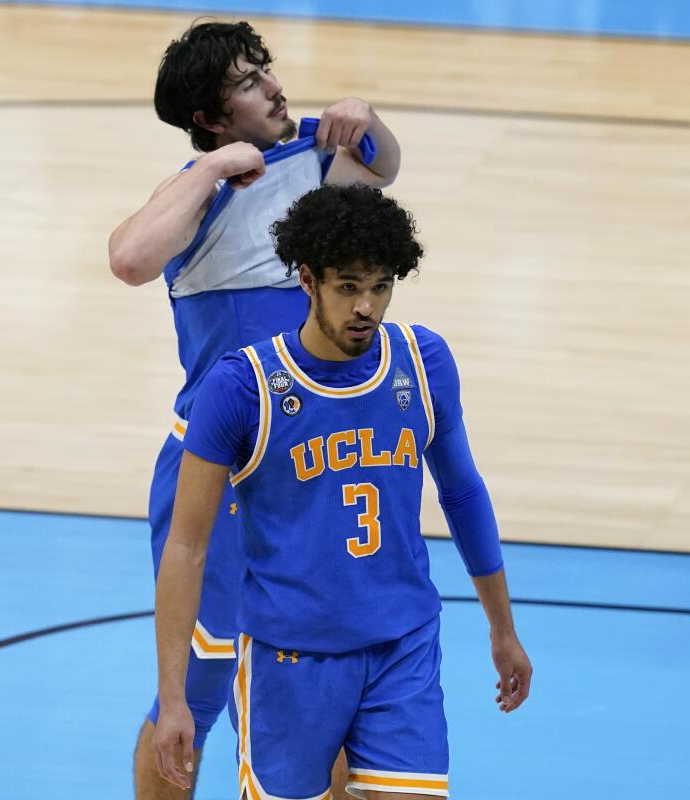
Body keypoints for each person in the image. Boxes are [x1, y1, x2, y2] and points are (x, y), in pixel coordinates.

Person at [152, 184, 532, 799]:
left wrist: (503, 628)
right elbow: (187, 546)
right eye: (348, 286)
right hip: (289, 659)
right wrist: (175, 698)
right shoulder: (241, 388)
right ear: (307, 279)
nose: (366, 306)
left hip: (401, 646)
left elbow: (462, 495)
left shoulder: (422, 360)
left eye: (380, 286)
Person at [107, 20, 403, 800]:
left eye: (265, 71)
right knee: (196, 696)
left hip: (311, 466)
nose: (273, 86)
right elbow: (130, 259)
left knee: (323, 689)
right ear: (209, 115)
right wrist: (211, 170)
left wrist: (365, 117)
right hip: (220, 468)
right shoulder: (193, 190)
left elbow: (384, 166)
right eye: (247, 81)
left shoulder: (312, 157)